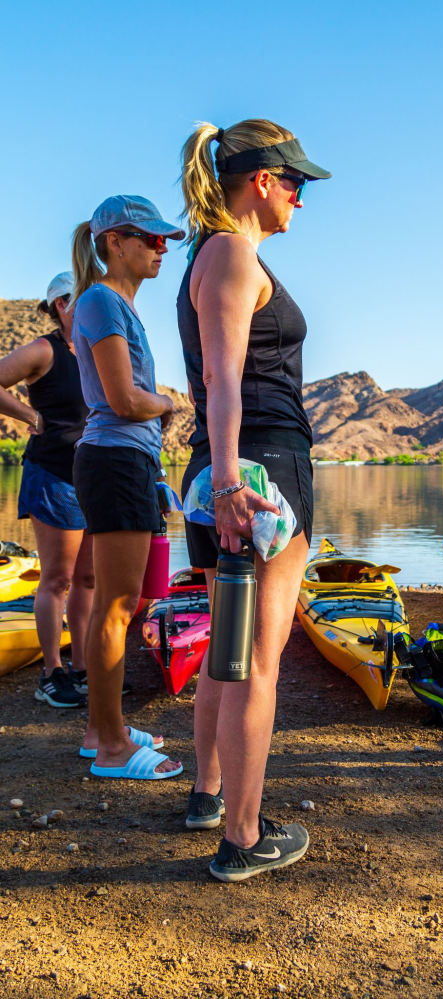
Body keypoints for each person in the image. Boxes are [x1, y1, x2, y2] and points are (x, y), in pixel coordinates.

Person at [177, 118, 330, 880]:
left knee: (227, 652)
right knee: (257, 660)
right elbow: (222, 377)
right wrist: (236, 480)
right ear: (261, 180)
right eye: (295, 183)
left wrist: (222, 474)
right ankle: (242, 836)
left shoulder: (210, 255)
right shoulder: (233, 252)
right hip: (257, 472)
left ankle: (209, 792)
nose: (301, 200)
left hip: (225, 470)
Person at [70, 196, 184, 780]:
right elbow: (123, 401)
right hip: (115, 458)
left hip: (122, 460)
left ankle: (100, 729)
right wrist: (169, 402)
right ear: (115, 241)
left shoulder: (117, 306)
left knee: (122, 603)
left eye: (166, 240)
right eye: (151, 238)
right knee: (116, 608)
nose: (162, 247)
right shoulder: (100, 301)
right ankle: (112, 746)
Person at [0, 273, 92, 708]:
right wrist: (30, 417)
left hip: (94, 477)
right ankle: (52, 673)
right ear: (61, 304)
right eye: (84, 298)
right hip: (52, 474)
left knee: (89, 579)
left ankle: (83, 668)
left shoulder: (96, 350)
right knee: (56, 579)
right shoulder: (43, 349)